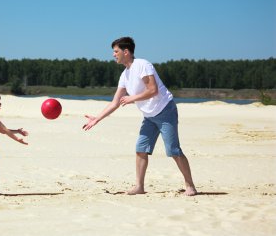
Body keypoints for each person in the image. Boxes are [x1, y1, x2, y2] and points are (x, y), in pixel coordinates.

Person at [83, 37, 197, 196]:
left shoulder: (142, 65)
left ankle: (190, 185)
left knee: (173, 150)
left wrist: (132, 98)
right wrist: (97, 118)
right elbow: (115, 102)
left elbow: (153, 90)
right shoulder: (125, 75)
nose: (113, 55)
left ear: (126, 51)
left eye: (116, 51)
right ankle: (139, 187)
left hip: (165, 111)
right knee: (140, 149)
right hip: (149, 116)